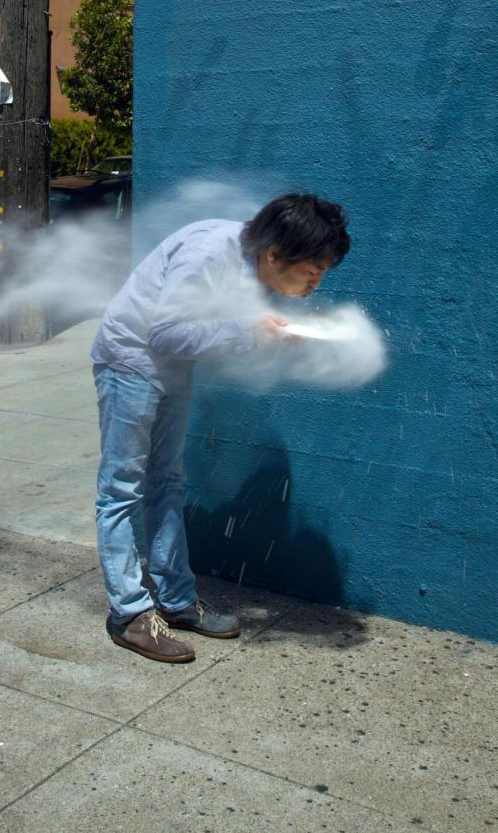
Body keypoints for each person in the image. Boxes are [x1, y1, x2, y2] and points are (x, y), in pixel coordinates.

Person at [91, 192, 351, 663]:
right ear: (276, 255)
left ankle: (176, 601)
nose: (315, 283)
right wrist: (248, 332)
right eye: (312, 272)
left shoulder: (251, 257)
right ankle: (128, 615)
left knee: (166, 483)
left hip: (170, 370)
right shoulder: (209, 254)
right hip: (128, 364)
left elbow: (206, 324)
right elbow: (162, 332)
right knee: (121, 489)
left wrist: (265, 331)